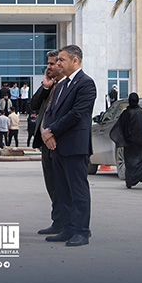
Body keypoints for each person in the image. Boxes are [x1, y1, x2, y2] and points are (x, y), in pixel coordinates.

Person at [41, 44, 96, 247]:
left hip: (74, 146)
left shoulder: (86, 84)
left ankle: (82, 231)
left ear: (75, 60)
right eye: (57, 60)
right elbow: (51, 111)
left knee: (77, 191)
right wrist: (48, 134)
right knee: (62, 191)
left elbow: (77, 114)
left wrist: (52, 130)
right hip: (57, 146)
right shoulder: (61, 85)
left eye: (62, 60)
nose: (58, 64)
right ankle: (68, 228)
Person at [30, 50, 63, 235]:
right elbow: (33, 105)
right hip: (45, 143)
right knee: (51, 183)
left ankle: (68, 223)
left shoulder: (66, 86)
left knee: (62, 184)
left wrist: (52, 133)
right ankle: (58, 221)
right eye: (48, 63)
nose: (48, 67)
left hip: (57, 141)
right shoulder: (49, 86)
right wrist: (45, 87)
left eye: (52, 64)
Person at [111, 93, 142, 189]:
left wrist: (124, 138)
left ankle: (130, 181)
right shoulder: (141, 111)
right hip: (141, 141)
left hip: (130, 142)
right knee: (141, 161)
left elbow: (121, 127)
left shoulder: (127, 113)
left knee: (130, 162)